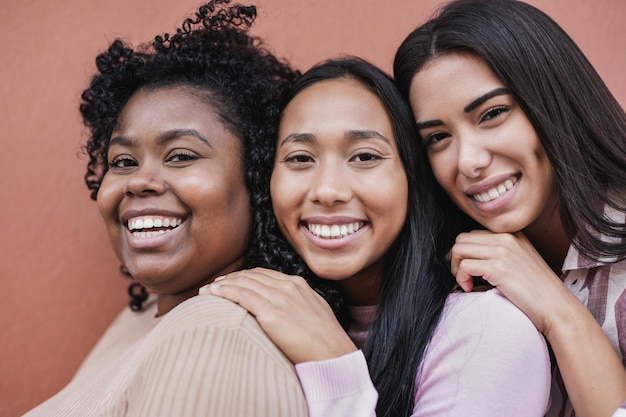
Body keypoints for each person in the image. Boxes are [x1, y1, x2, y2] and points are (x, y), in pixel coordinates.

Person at [204, 57, 551, 417]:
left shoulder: (486, 330)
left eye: (365, 156)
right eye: (301, 158)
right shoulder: (263, 313)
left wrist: (333, 363)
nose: (327, 190)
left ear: (413, 178)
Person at [23, 2, 312, 416]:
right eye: (123, 161)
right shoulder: (142, 316)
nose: (139, 181)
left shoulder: (215, 340)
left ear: (257, 178)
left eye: (180, 155)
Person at [392, 1, 626, 416]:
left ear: (555, 99)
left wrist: (557, 311)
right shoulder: (460, 278)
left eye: (493, 114)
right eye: (437, 137)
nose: (468, 161)